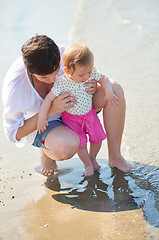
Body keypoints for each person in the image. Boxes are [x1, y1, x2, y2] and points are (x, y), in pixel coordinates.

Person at [2, 34, 132, 176]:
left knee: (114, 89)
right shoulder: (15, 86)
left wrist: (93, 85)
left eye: (56, 70)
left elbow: (92, 74)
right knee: (67, 146)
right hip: (45, 123)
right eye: (44, 77)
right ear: (29, 71)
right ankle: (45, 150)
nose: (53, 79)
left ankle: (115, 157)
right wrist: (51, 111)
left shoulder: (66, 54)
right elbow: (13, 133)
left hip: (77, 107)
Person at [37, 44, 119, 176]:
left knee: (98, 138)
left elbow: (104, 78)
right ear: (68, 71)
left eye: (89, 72)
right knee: (81, 144)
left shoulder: (89, 72)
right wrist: (42, 118)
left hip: (90, 115)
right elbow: (48, 100)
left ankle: (92, 159)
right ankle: (87, 164)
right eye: (82, 75)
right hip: (72, 119)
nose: (87, 76)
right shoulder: (61, 83)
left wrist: (108, 92)